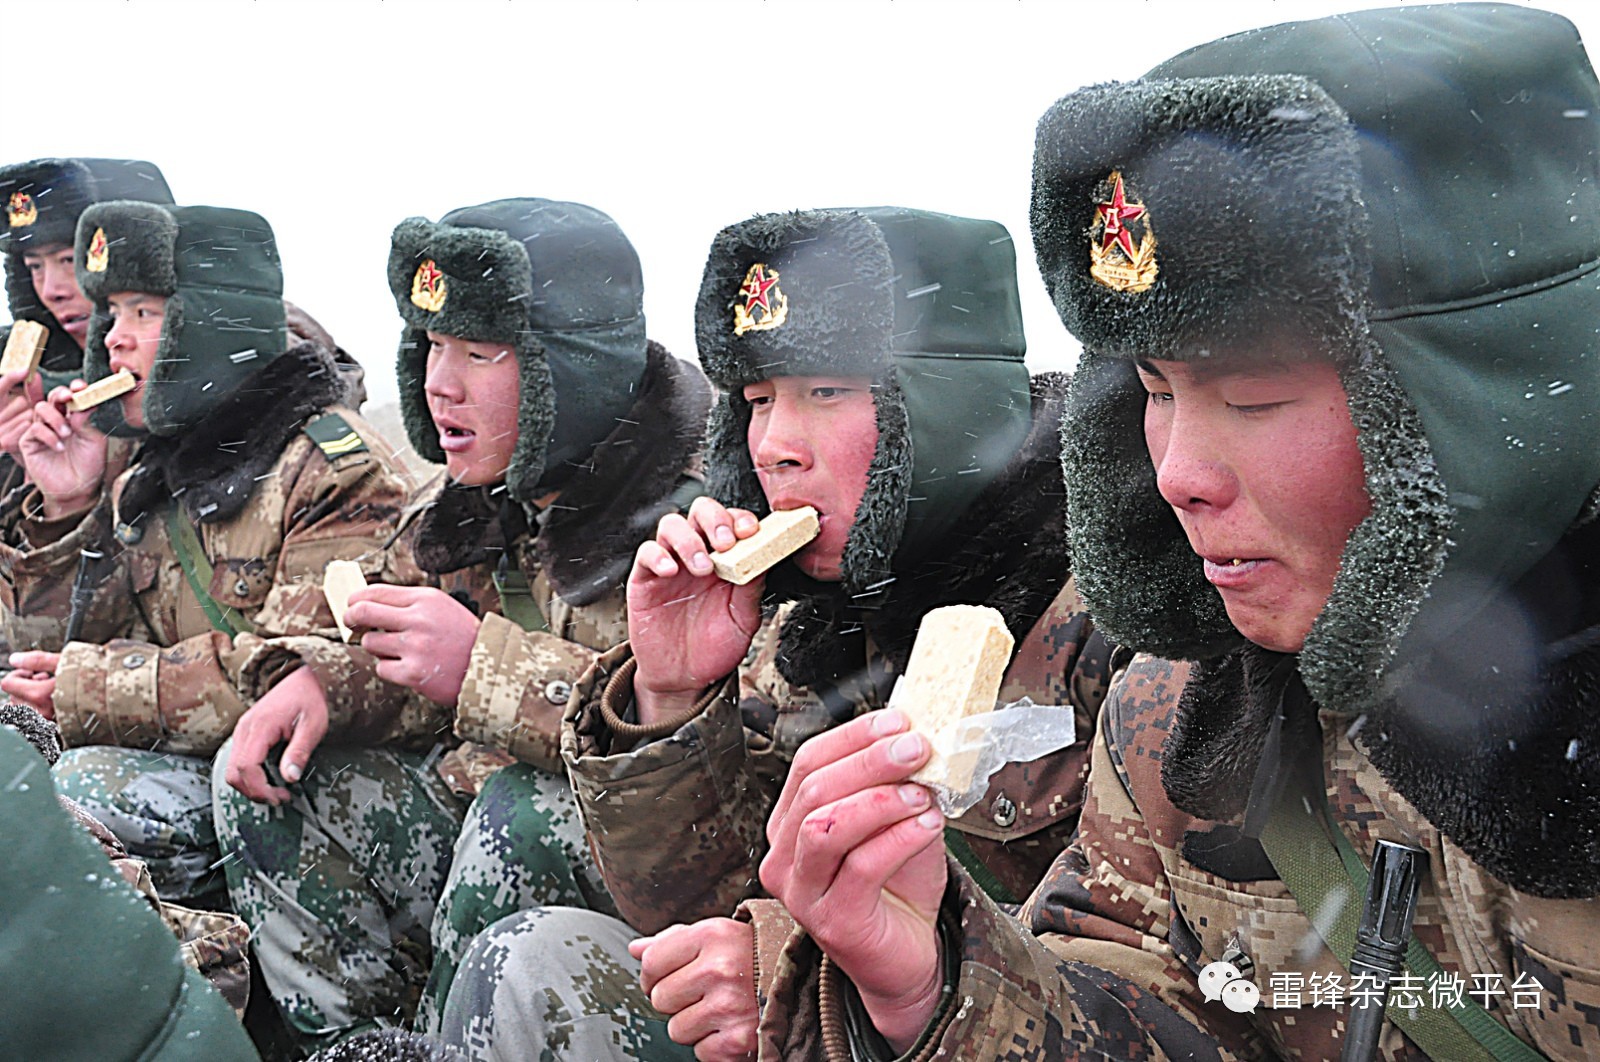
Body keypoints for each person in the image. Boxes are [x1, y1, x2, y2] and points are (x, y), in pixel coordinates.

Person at [753, 4, 1600, 1059]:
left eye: (1250, 396)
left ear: (1490, 396)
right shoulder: (1176, 713)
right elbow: (1136, 1007)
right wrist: (929, 988)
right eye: (1152, 389)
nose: (1176, 475)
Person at [439, 206, 1111, 1060]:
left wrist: (807, 972)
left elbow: (1146, 998)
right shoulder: (821, 621)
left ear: (939, 405)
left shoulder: (1106, 620)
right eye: (758, 400)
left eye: (827, 391)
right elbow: (696, 907)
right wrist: (672, 694)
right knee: (537, 964)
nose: (776, 447)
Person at [213, 197, 712, 1047]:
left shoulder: (701, 514)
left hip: (667, 892)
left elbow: (701, 759)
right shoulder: (466, 501)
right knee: (273, 775)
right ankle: (360, 1045)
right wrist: (326, 679)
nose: (440, 383)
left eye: (480, 353)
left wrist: (483, 670)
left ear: (574, 369)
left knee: (520, 810)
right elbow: (368, 617)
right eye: (433, 345)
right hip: (478, 848)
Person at [0, 199, 416, 914]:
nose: (114, 343)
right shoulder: (148, 470)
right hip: (181, 767)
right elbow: (57, 651)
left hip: (298, 793)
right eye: (114, 314)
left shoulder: (331, 468)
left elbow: (291, 669)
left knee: (75, 794)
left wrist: (82, 691)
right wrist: (68, 508)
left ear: (212, 325)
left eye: (145, 314)